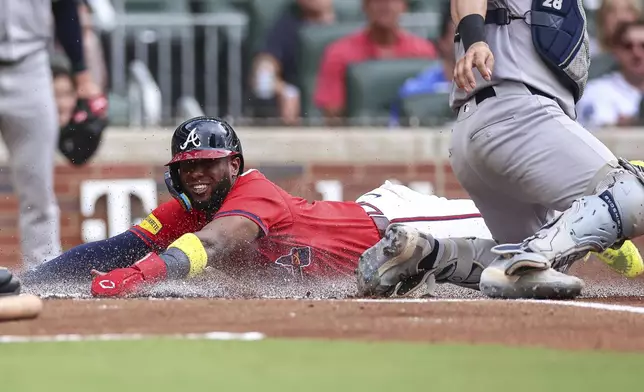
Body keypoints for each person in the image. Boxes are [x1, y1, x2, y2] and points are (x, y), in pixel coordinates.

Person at [14, 116, 642, 299]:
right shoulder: (183, 209)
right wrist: (35, 280)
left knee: (525, 225)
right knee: (501, 261)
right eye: (188, 168)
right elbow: (118, 247)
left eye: (208, 164)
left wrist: (135, 280)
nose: (198, 176)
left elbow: (223, 242)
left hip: (391, 221)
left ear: (234, 164)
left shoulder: (248, 192)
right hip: (380, 253)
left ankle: (608, 232)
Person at [405, 0, 644, 300]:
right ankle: (535, 254)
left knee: (536, 268)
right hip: (519, 115)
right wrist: (475, 39)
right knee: (635, 191)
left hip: (479, 129)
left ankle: (425, 255)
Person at [0, 0, 104, 268]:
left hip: (29, 67)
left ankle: (43, 272)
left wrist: (81, 73)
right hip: (30, 64)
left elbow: (65, 7)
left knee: (37, 186)